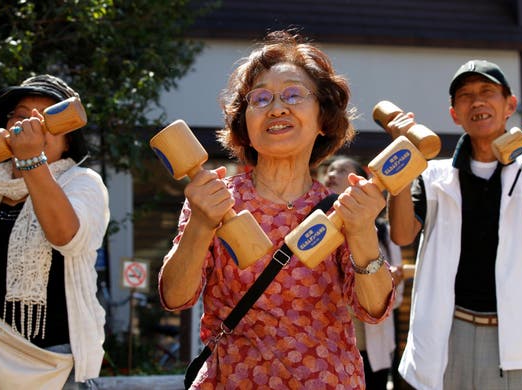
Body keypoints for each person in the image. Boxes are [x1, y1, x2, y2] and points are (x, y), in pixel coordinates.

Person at [158, 30, 394, 388]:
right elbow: (175, 298)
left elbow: (374, 309)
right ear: (245, 123)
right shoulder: (215, 199)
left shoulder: (342, 207)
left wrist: (362, 230)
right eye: (261, 98)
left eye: (294, 94)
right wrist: (201, 223)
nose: (277, 107)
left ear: (323, 120)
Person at [387, 59, 522, 389]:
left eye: (488, 92)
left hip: (515, 337)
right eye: (465, 96)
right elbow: (401, 235)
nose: (477, 102)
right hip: (447, 330)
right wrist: (402, 158)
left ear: (509, 105)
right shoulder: (433, 176)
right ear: (454, 113)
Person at [0, 75, 110, 389]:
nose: (32, 124)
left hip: (52, 365)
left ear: (67, 139)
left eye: (46, 117)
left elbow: (65, 235)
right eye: (21, 115)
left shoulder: (83, 184)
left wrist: (31, 160)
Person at [323, 155, 405, 390]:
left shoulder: (384, 233)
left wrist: (389, 284)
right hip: (330, 346)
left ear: (358, 181)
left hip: (371, 347)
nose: (331, 174)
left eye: (340, 170)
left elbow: (394, 301)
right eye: (329, 170)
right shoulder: (317, 225)